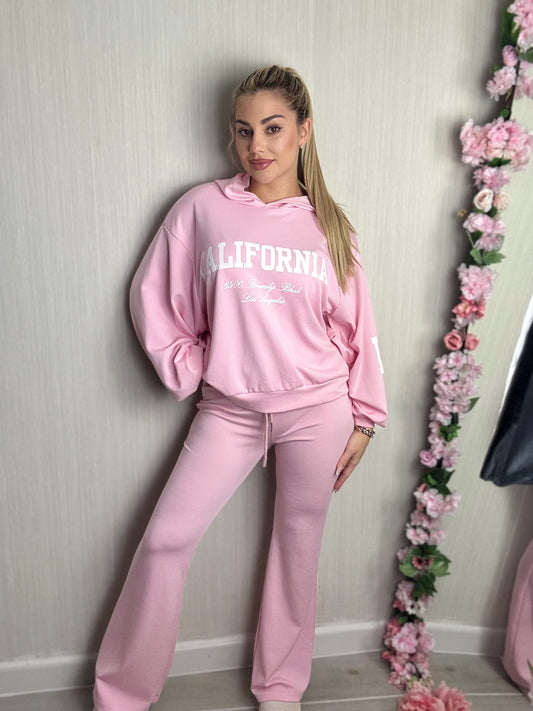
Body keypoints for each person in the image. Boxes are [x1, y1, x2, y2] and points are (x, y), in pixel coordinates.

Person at [93, 65, 387, 711]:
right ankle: (120, 697)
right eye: (244, 129)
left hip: (319, 409)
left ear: (303, 131)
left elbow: (359, 330)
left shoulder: (331, 227)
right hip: (229, 409)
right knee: (165, 540)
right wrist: (191, 364)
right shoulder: (202, 208)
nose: (257, 145)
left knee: (297, 548)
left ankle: (280, 690)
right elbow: (151, 295)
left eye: (273, 128)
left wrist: (365, 418)